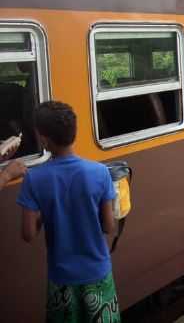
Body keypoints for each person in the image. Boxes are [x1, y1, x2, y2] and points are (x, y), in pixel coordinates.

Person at [17, 101, 120, 323]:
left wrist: (47, 211)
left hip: (61, 278)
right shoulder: (100, 173)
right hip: (98, 273)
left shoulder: (34, 179)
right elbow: (110, 227)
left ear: (43, 138)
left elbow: (28, 235)